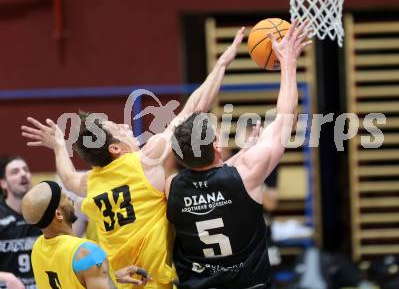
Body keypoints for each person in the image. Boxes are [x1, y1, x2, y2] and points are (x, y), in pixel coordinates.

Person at [21, 27, 245, 289]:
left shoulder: (91, 183)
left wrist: (59, 146)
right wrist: (221, 64)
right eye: (118, 128)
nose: (125, 127)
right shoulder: (145, 161)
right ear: (115, 149)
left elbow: (69, 178)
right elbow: (194, 108)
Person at [165, 20, 311, 288]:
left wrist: (242, 152)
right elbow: (285, 119)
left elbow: (203, 173)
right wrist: (288, 62)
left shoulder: (170, 186)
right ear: (216, 146)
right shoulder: (246, 173)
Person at [21, 180, 149, 289]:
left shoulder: (37, 248)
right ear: (58, 214)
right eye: (64, 196)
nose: (70, 198)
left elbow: (71, 279)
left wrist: (109, 275)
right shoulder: (87, 251)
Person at [0, 156, 41, 289]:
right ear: (3, 183)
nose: (23, 174)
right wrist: (6, 278)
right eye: (15, 172)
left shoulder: (45, 212)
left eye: (26, 170)